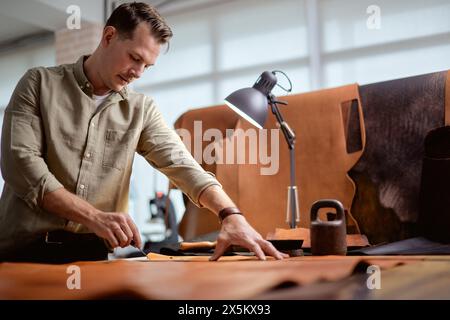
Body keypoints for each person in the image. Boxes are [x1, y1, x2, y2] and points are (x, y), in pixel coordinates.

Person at [0, 2, 287, 264]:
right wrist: (93, 216)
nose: (138, 72)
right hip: (23, 252)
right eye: (134, 58)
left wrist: (230, 215)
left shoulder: (141, 109)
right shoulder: (38, 83)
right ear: (109, 36)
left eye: (147, 66)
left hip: (91, 256)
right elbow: (22, 166)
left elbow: (183, 165)